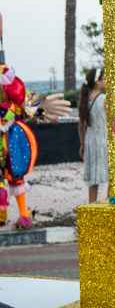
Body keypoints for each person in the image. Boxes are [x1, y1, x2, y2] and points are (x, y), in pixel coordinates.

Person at [0, 62, 70, 228]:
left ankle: (24, 214)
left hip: (12, 144)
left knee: (16, 176)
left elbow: (26, 104)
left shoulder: (13, 103)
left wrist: (43, 107)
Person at [78, 68, 107, 203]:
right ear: (97, 82)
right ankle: (109, 203)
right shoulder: (104, 99)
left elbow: (81, 125)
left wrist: (82, 144)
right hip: (103, 140)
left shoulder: (85, 99)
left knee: (93, 180)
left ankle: (92, 205)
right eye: (104, 78)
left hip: (90, 141)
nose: (107, 81)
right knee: (110, 175)